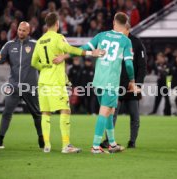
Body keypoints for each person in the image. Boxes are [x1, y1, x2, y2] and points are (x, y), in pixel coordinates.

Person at [54, 12, 138, 154]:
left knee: (110, 111)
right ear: (126, 25)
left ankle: (112, 144)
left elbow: (83, 49)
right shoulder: (126, 41)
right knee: (105, 112)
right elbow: (129, 65)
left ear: (114, 22)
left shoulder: (101, 35)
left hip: (98, 81)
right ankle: (95, 146)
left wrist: (65, 56)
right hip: (110, 82)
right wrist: (132, 80)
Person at [31, 12, 104, 153]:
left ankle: (47, 145)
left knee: (45, 113)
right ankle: (66, 146)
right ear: (57, 24)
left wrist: (44, 67)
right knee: (65, 110)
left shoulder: (39, 41)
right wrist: (90, 53)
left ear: (47, 24)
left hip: (43, 82)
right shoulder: (58, 37)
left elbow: (33, 62)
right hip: (55, 82)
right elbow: (71, 50)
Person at [0, 22, 44, 149]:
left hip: (30, 86)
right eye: (19, 30)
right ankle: (0, 141)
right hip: (13, 86)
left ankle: (41, 138)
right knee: (6, 113)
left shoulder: (36, 45)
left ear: (29, 31)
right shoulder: (9, 45)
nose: (21, 32)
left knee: (36, 114)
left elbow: (46, 59)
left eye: (24, 30)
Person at [100, 22, 147, 149]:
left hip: (132, 86)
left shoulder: (137, 43)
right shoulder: (117, 41)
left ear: (127, 29)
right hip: (117, 84)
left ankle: (132, 141)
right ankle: (109, 140)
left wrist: (138, 84)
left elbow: (142, 66)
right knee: (111, 113)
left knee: (134, 115)